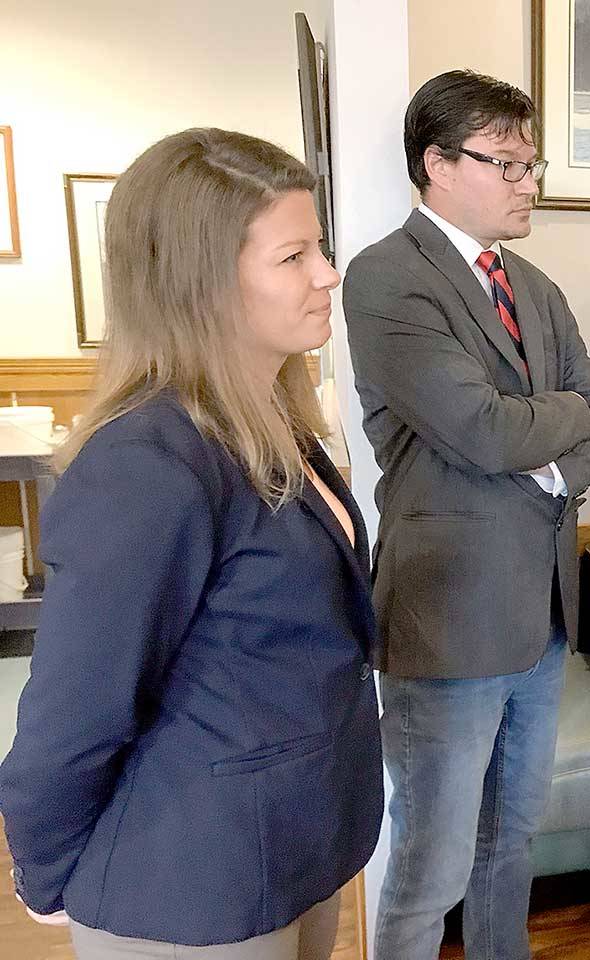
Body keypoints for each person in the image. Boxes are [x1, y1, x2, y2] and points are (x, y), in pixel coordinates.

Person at [0, 128, 382, 958]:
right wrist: (46, 873)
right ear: (201, 284)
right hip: (189, 880)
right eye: (294, 257)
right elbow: (75, 711)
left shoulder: (273, 420)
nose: (327, 274)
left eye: (319, 247)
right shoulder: (146, 461)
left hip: (294, 843)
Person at [343, 70, 590, 960]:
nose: (528, 182)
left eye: (530, 162)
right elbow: (482, 426)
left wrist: (543, 441)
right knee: (430, 866)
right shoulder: (387, 277)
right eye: (505, 162)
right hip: (449, 620)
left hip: (542, 616)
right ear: (436, 163)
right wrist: (555, 424)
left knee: (514, 843)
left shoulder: (532, 283)